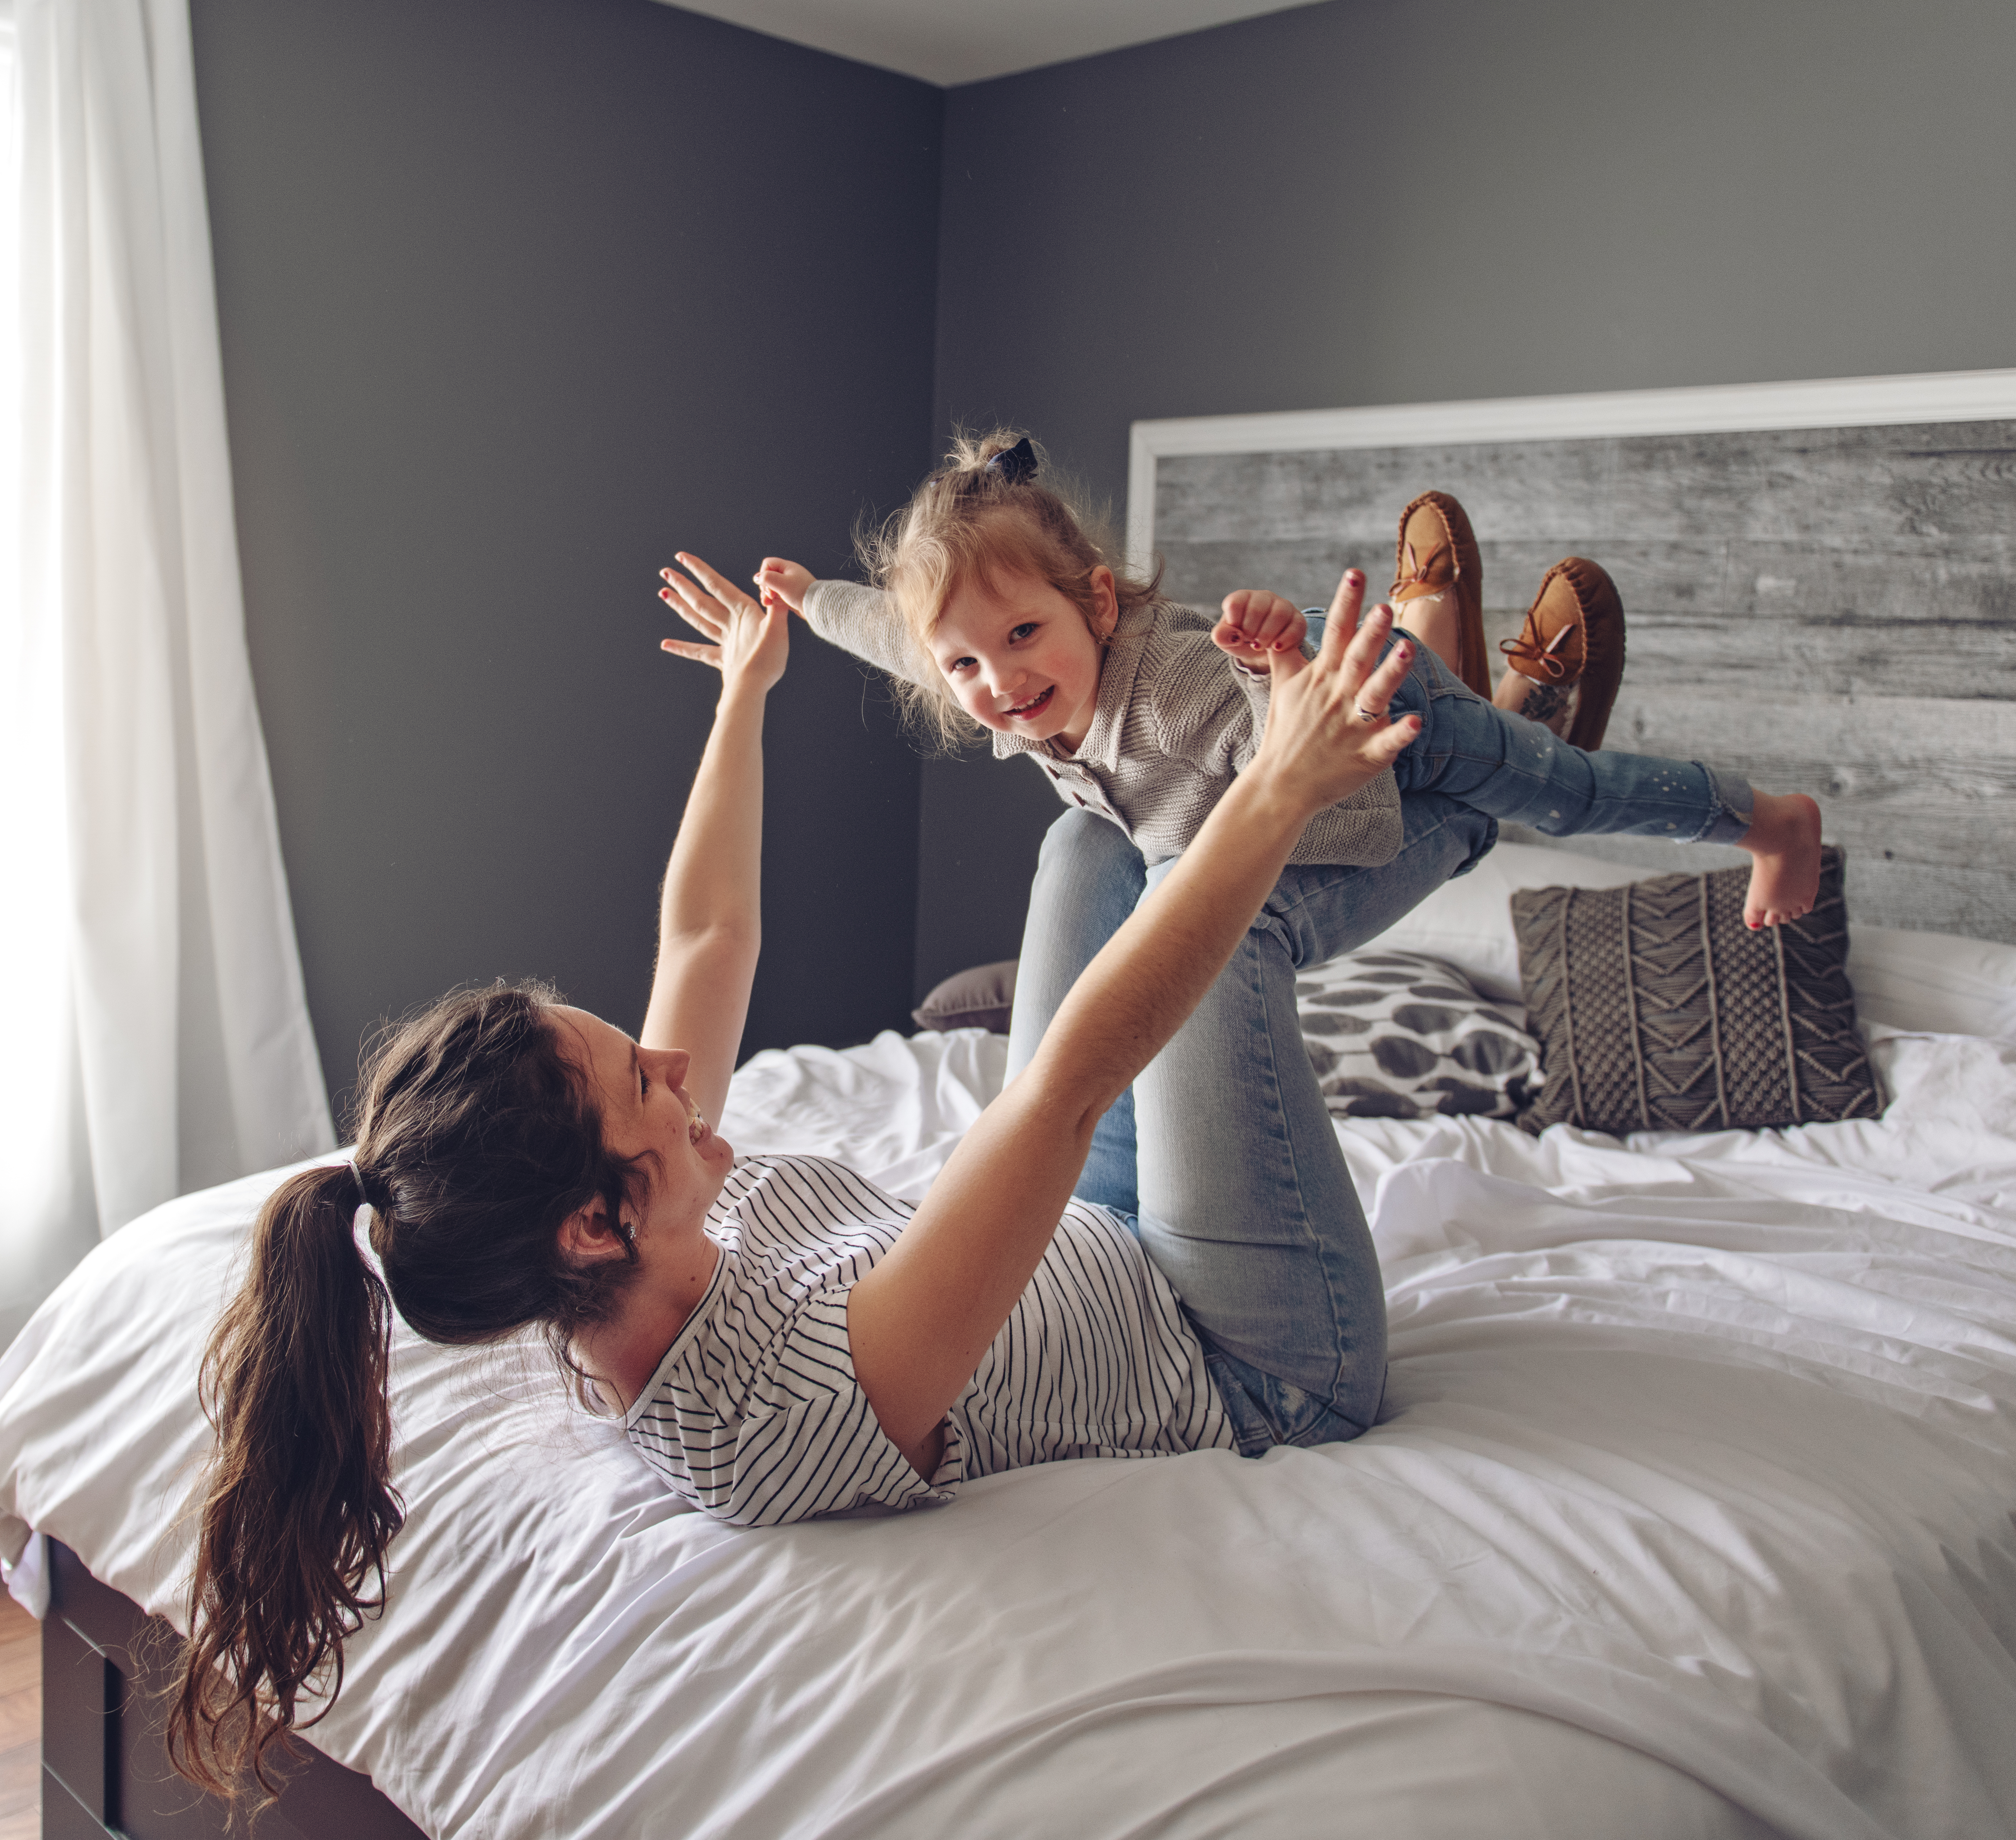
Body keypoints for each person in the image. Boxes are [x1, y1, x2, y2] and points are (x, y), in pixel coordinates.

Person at [175, 556, 1428, 1797]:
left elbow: (706, 937)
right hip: (1249, 1356)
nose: (676, 1066)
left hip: (1105, 1236)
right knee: (1226, 895)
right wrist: (1276, 786)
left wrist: (746, 690)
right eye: (643, 1084)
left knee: (1087, 840)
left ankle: (1415, 727)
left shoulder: (626, 1248)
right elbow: (1063, 1089)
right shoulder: (774, 1411)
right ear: (598, 1223)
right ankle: (1465, 781)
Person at [756, 431, 1822, 1221]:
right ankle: (1446, 644)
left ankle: (1766, 821)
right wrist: (809, 601)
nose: (1000, 681)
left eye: (1024, 634)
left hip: (1367, 716)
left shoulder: (1173, 697)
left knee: (1562, 793)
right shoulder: (1013, 689)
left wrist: (1277, 674)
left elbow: (1320, 790)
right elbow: (901, 638)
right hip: (1290, 745)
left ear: (1100, 604)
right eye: (966, 665)